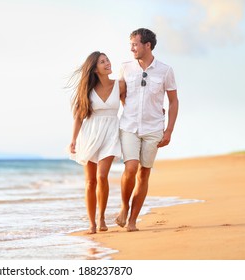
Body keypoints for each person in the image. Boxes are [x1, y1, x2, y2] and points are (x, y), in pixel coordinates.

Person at [115, 28, 179, 232]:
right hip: (129, 126)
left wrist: (168, 130)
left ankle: (133, 220)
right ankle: (124, 207)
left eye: (135, 44)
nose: (131, 48)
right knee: (131, 168)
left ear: (147, 45)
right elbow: (121, 94)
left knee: (144, 173)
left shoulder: (165, 70)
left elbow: (173, 101)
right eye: (131, 44)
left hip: (154, 129)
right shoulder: (125, 67)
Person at [69, 51, 126, 234]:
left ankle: (101, 218)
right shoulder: (87, 90)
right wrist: (73, 140)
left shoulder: (120, 85)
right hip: (90, 134)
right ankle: (92, 223)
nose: (108, 63)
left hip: (111, 132)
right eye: (102, 62)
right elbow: (78, 117)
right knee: (90, 181)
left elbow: (131, 108)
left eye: (107, 59)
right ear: (94, 69)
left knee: (102, 176)